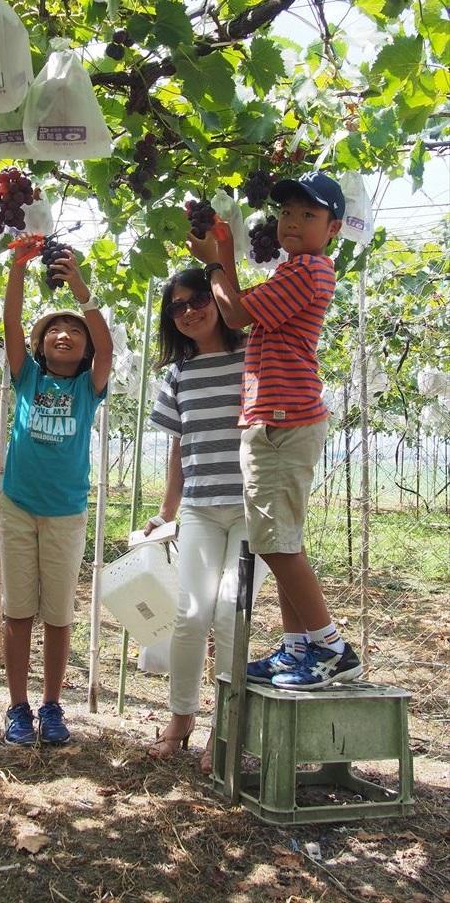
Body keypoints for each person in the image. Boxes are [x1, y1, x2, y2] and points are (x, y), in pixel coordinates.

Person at [190, 170, 362, 690]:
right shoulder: (299, 269)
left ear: (333, 227)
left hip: (283, 421)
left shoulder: (307, 271)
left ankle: (331, 647)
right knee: (279, 538)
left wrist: (218, 263)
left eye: (308, 215)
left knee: (277, 544)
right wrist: (224, 245)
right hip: (276, 418)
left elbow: (237, 313)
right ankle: (297, 647)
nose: (292, 222)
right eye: (287, 212)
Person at [145, 268, 268, 772]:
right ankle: (181, 717)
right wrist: (165, 512)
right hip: (199, 507)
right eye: (177, 307)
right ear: (170, 319)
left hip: (250, 510)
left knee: (229, 614)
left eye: (198, 299)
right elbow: (180, 449)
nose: (190, 311)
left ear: (217, 300)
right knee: (191, 614)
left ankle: (229, 724)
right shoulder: (177, 375)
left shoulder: (253, 357)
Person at [0, 243, 112, 746]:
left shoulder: (89, 387)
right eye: (54, 331)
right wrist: (19, 268)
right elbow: (10, 324)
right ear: (40, 345)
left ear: (85, 349)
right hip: (18, 506)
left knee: (59, 615)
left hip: (66, 513)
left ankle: (51, 706)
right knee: (18, 611)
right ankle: (18, 707)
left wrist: (81, 288)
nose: (64, 334)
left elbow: (109, 347)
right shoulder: (26, 377)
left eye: (75, 331)